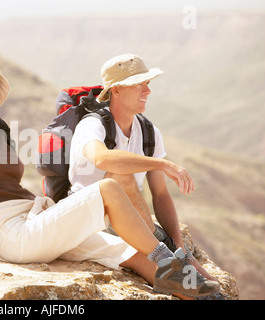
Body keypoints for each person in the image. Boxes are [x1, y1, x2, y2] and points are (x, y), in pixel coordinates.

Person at [0, 58, 220, 299]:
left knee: (129, 254)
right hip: (11, 234)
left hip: (35, 218)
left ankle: (204, 296)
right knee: (109, 188)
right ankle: (169, 259)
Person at [69, 53, 219, 288]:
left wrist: (178, 242)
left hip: (132, 225)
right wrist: (161, 163)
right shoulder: (91, 125)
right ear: (116, 90)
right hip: (90, 222)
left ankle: (171, 253)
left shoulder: (149, 132)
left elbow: (160, 195)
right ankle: (168, 260)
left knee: (211, 285)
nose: (147, 91)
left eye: (147, 84)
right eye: (139, 84)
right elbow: (103, 159)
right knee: (119, 178)